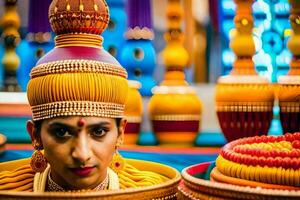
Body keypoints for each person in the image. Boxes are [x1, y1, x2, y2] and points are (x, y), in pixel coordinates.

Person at [0, 0, 180, 196]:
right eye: (62, 133)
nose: (82, 154)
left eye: (99, 131)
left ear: (120, 132)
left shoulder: (150, 194)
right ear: (35, 136)